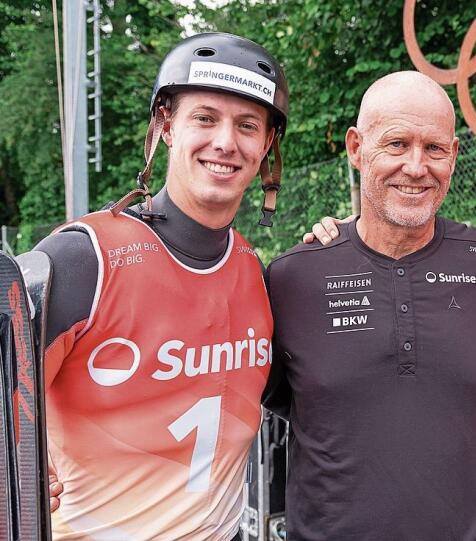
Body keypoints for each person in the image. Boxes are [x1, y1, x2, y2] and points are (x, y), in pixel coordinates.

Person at [35, 32, 288, 540]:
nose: (225, 142)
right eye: (205, 118)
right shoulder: (82, 259)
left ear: (266, 147)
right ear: (166, 126)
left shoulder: (255, 274)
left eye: (247, 126)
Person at [263, 71, 476, 540]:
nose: (415, 166)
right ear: (355, 149)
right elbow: (285, 402)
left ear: (454, 156)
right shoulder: (293, 278)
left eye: (434, 148)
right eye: (396, 144)